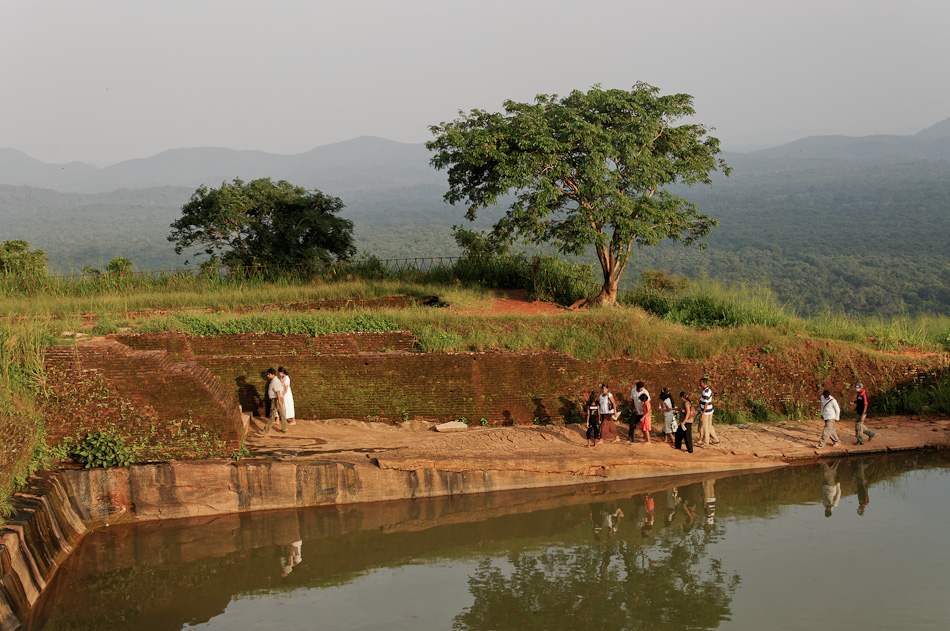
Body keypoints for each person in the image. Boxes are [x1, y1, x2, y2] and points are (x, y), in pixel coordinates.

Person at [697, 377, 720, 447]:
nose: (700, 384)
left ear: (703, 383)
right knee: (709, 426)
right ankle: (715, 439)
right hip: (710, 410)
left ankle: (706, 442)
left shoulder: (706, 392)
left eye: (701, 383)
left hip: (706, 412)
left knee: (705, 427)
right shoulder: (707, 390)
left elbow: (706, 403)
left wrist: (702, 413)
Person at [264, 367, 288, 433]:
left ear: (273, 374)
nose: (268, 376)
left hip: (276, 400)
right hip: (277, 399)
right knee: (282, 414)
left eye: (269, 374)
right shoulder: (275, 380)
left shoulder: (275, 381)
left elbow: (278, 392)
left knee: (272, 415)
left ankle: (266, 430)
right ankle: (284, 428)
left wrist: (279, 401)